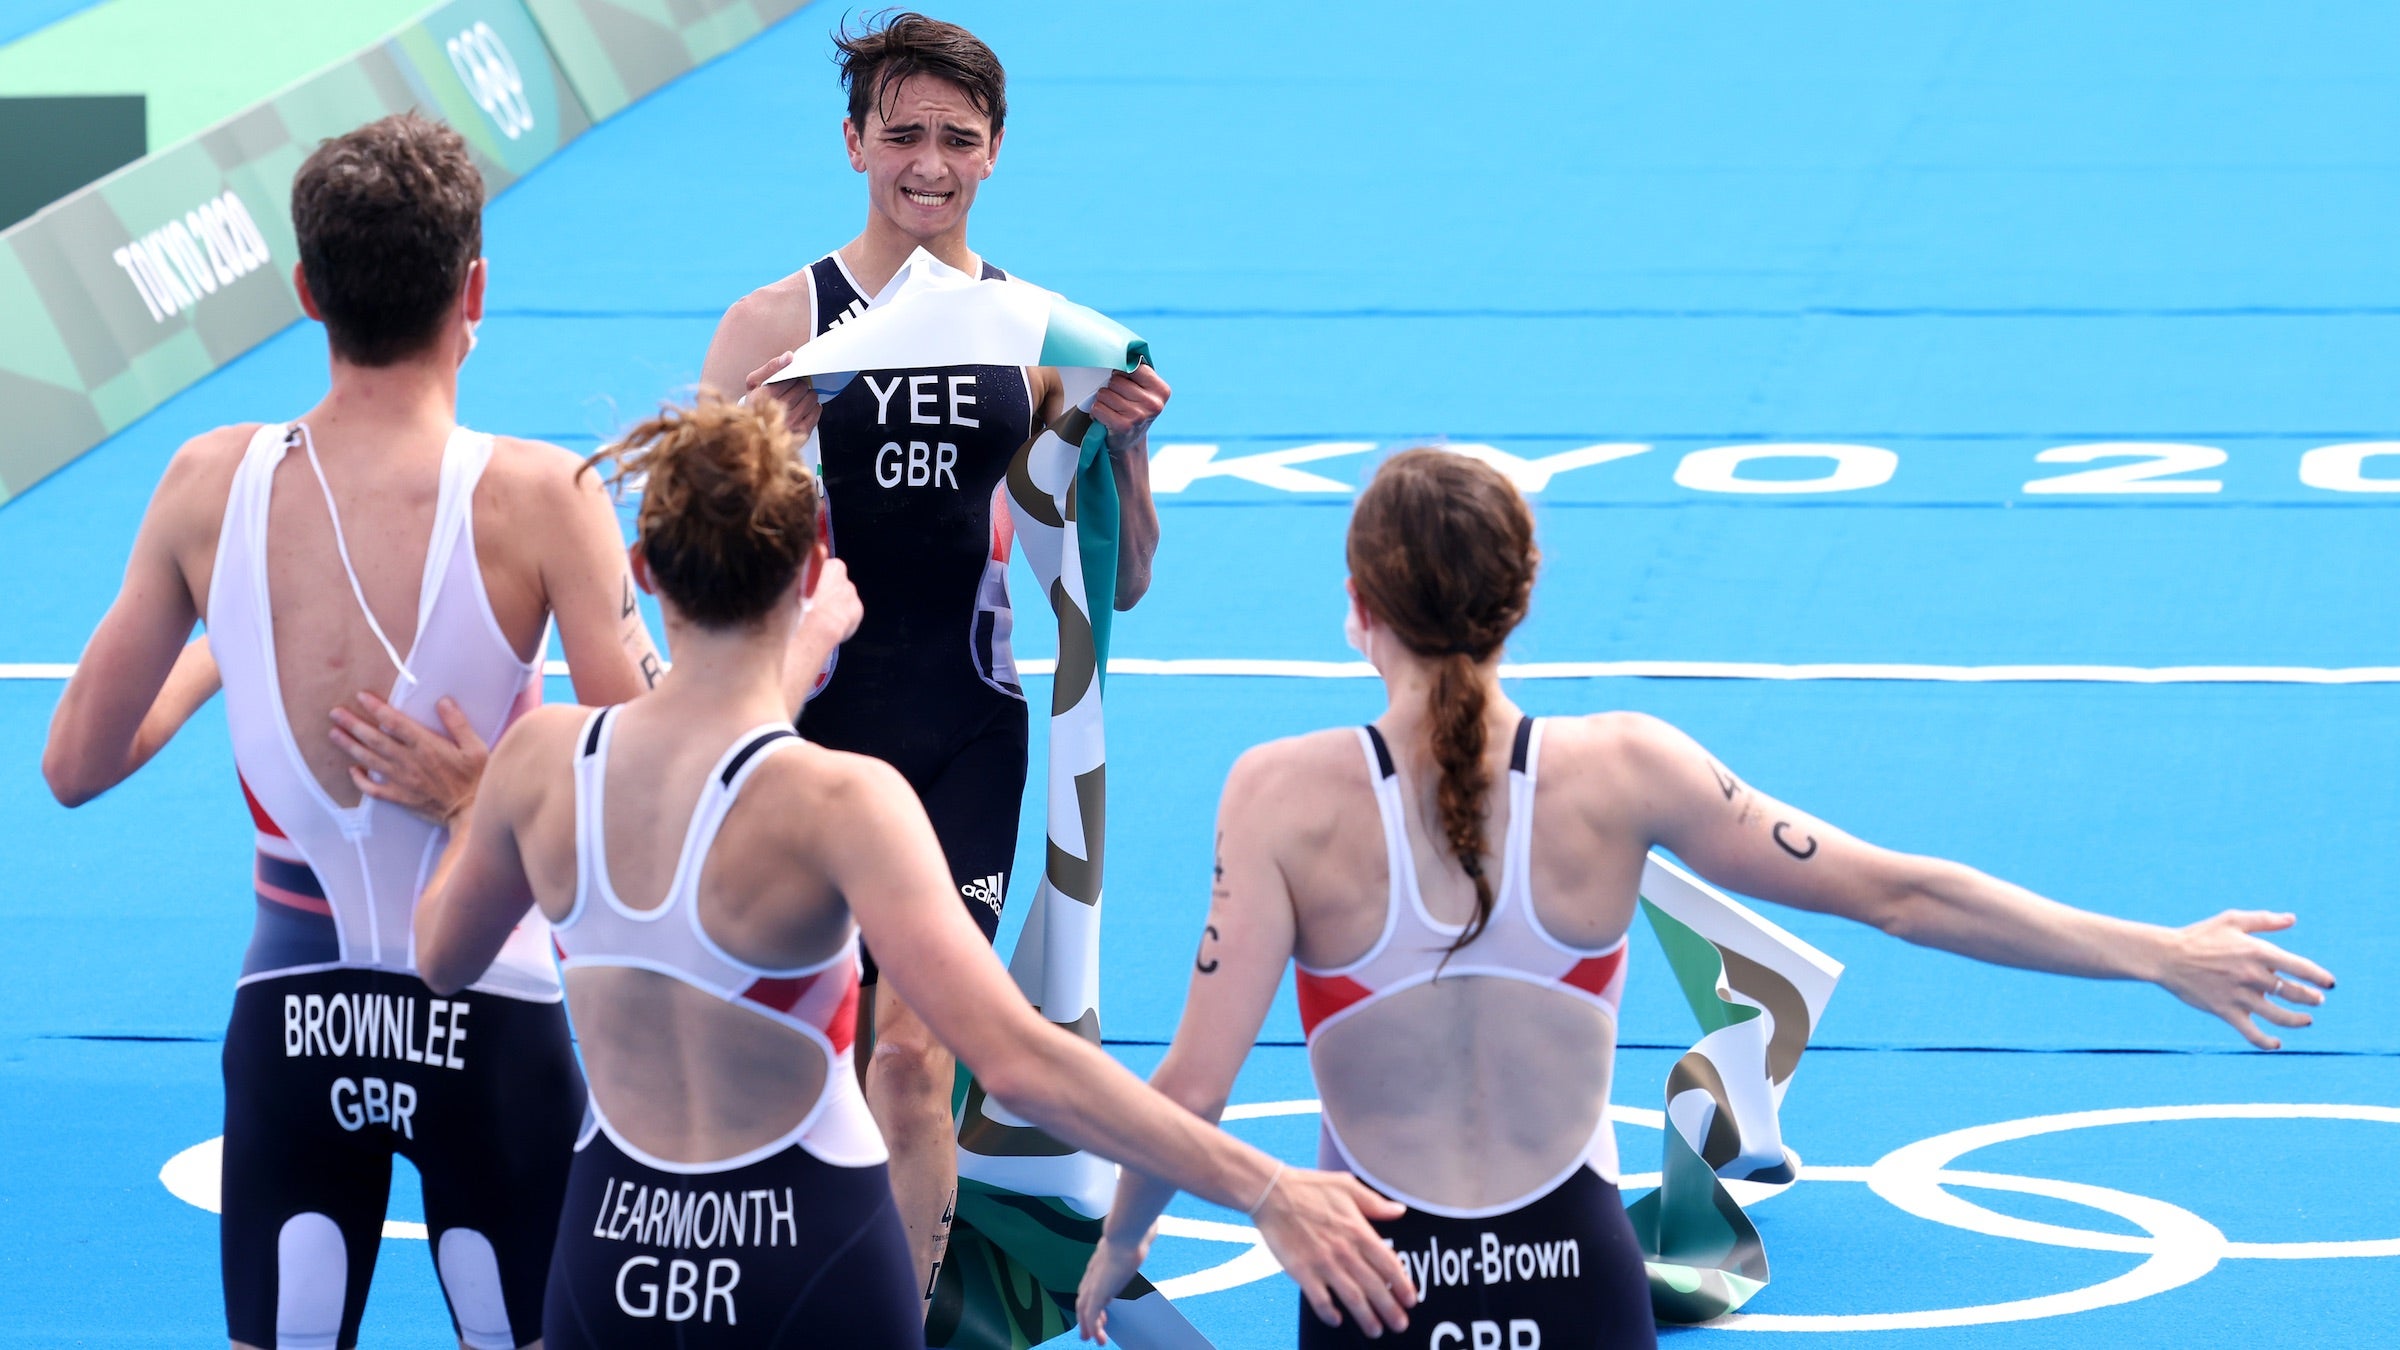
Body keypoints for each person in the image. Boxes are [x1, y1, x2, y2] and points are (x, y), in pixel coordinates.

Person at [1075, 449, 2337, 1349]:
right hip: (1578, 1275)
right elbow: (1896, 893)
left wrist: (1122, 1254)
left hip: (1373, 1285)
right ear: (1522, 599)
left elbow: (1195, 1087)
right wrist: (2160, 953)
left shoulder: (1281, 794)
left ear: (1357, 612)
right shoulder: (1629, 771)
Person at [37, 114, 848, 1350]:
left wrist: (227, 648)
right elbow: (674, 788)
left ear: (307, 291)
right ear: (476, 290)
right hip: (494, 1022)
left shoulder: (210, 484)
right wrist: (493, 790)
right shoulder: (540, 497)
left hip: (290, 1016)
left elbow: (74, 765)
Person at [410, 395, 1415, 1346]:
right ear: (814, 562)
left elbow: (444, 959)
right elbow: (1019, 1061)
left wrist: (466, 812)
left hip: (616, 1255)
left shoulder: (540, 763)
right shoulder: (843, 804)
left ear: (642, 567)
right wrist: (1264, 1186)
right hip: (807, 1252)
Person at [697, 11, 1174, 1299]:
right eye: (901, 134)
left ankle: (897, 1322)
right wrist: (763, 444)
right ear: (853, 143)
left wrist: (1124, 444)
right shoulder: (770, 328)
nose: (929, 164)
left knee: (909, 1060)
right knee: (795, 1059)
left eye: (957, 140)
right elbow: (692, 580)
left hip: (965, 739)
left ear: (995, 153)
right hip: (797, 745)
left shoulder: (1040, 337)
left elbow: (1119, 578)